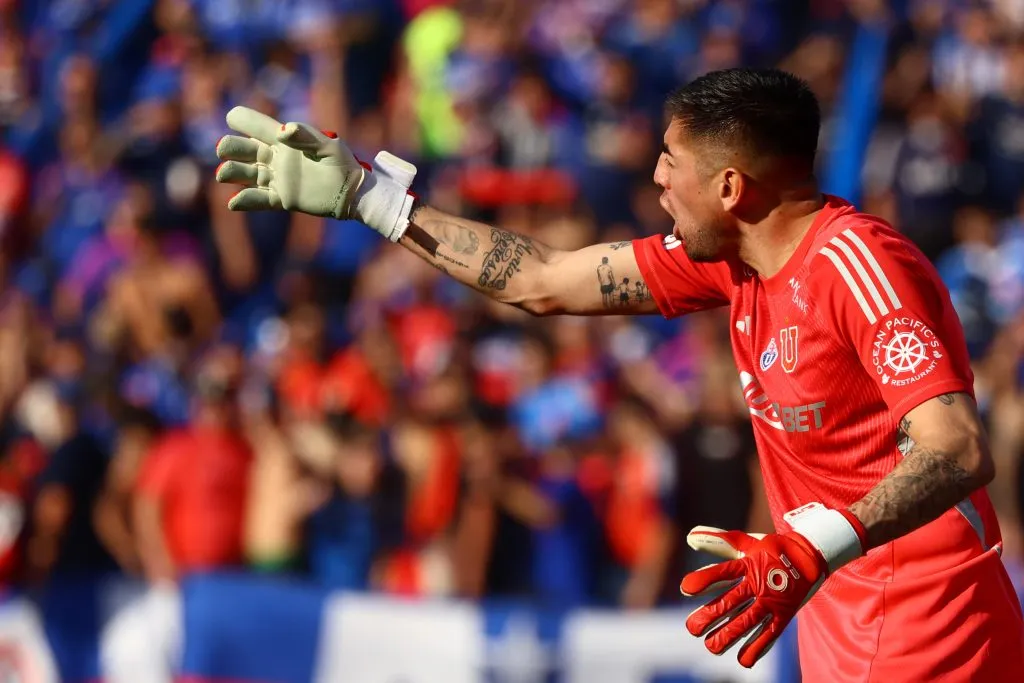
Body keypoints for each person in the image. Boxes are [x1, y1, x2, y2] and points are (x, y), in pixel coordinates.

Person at [213, 67, 1024, 679]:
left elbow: (954, 447)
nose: (657, 181)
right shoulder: (735, 262)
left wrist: (812, 547)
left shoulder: (856, 266)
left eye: (672, 163)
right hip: (840, 620)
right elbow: (544, 279)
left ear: (732, 187)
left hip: (928, 629)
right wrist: (372, 202)